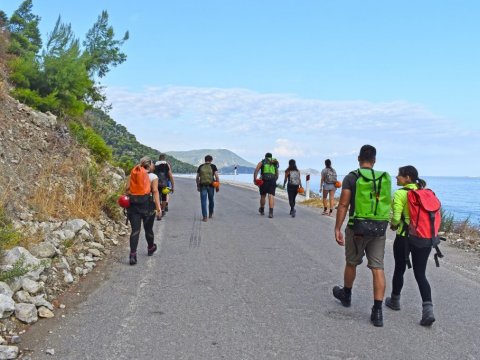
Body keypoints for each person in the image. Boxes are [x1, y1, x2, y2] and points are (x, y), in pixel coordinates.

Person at [333, 145, 391, 327]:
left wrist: (337, 228)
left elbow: (343, 204)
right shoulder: (382, 178)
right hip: (379, 228)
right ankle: (378, 312)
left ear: (359, 159)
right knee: (378, 267)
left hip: (357, 228)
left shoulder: (352, 177)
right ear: (374, 160)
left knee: (352, 262)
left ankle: (347, 295)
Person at [385, 166, 436, 326]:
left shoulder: (400, 193)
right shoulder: (425, 192)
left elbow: (396, 217)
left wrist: (393, 226)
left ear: (407, 177)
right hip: (424, 238)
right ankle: (428, 311)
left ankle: (395, 301)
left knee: (399, 268)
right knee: (420, 274)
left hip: (404, 237)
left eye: (399, 175)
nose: (396, 178)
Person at [126, 156, 161, 265]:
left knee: (135, 231)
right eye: (152, 164)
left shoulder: (134, 174)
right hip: (147, 206)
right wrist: (158, 207)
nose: (153, 166)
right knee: (148, 229)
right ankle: (150, 248)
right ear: (149, 165)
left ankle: (132, 255)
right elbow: (155, 191)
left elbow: (127, 190)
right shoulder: (153, 176)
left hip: (133, 206)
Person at [253, 153, 279, 218]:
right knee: (271, 196)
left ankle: (262, 210)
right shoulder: (274, 163)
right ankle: (271, 213)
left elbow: (256, 170)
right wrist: (274, 180)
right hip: (272, 181)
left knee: (263, 196)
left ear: (265, 157)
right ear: (271, 157)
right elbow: (277, 174)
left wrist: (255, 179)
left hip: (264, 181)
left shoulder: (262, 162)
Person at [196, 155, 219, 222]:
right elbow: (217, 177)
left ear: (205, 160)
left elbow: (197, 178)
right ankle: (210, 214)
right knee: (211, 200)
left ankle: (205, 217)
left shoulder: (201, 166)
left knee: (203, 201)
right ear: (211, 160)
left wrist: (198, 186)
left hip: (202, 186)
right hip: (211, 186)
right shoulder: (213, 166)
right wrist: (217, 186)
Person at [154, 153, 175, 217]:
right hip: (164, 183)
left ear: (159, 158)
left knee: (156, 197)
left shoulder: (155, 164)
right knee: (164, 197)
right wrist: (173, 186)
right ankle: (162, 211)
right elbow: (170, 176)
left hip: (156, 183)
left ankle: (158, 210)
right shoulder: (166, 165)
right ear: (164, 158)